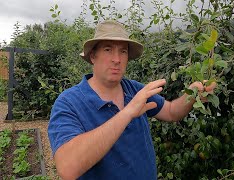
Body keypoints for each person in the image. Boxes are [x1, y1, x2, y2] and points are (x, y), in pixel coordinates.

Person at [48, 20, 216, 180]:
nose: (117, 59)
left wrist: (192, 95)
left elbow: (171, 112)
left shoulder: (134, 90)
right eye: (108, 49)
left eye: (123, 51)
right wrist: (127, 113)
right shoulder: (69, 102)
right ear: (93, 56)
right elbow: (67, 168)